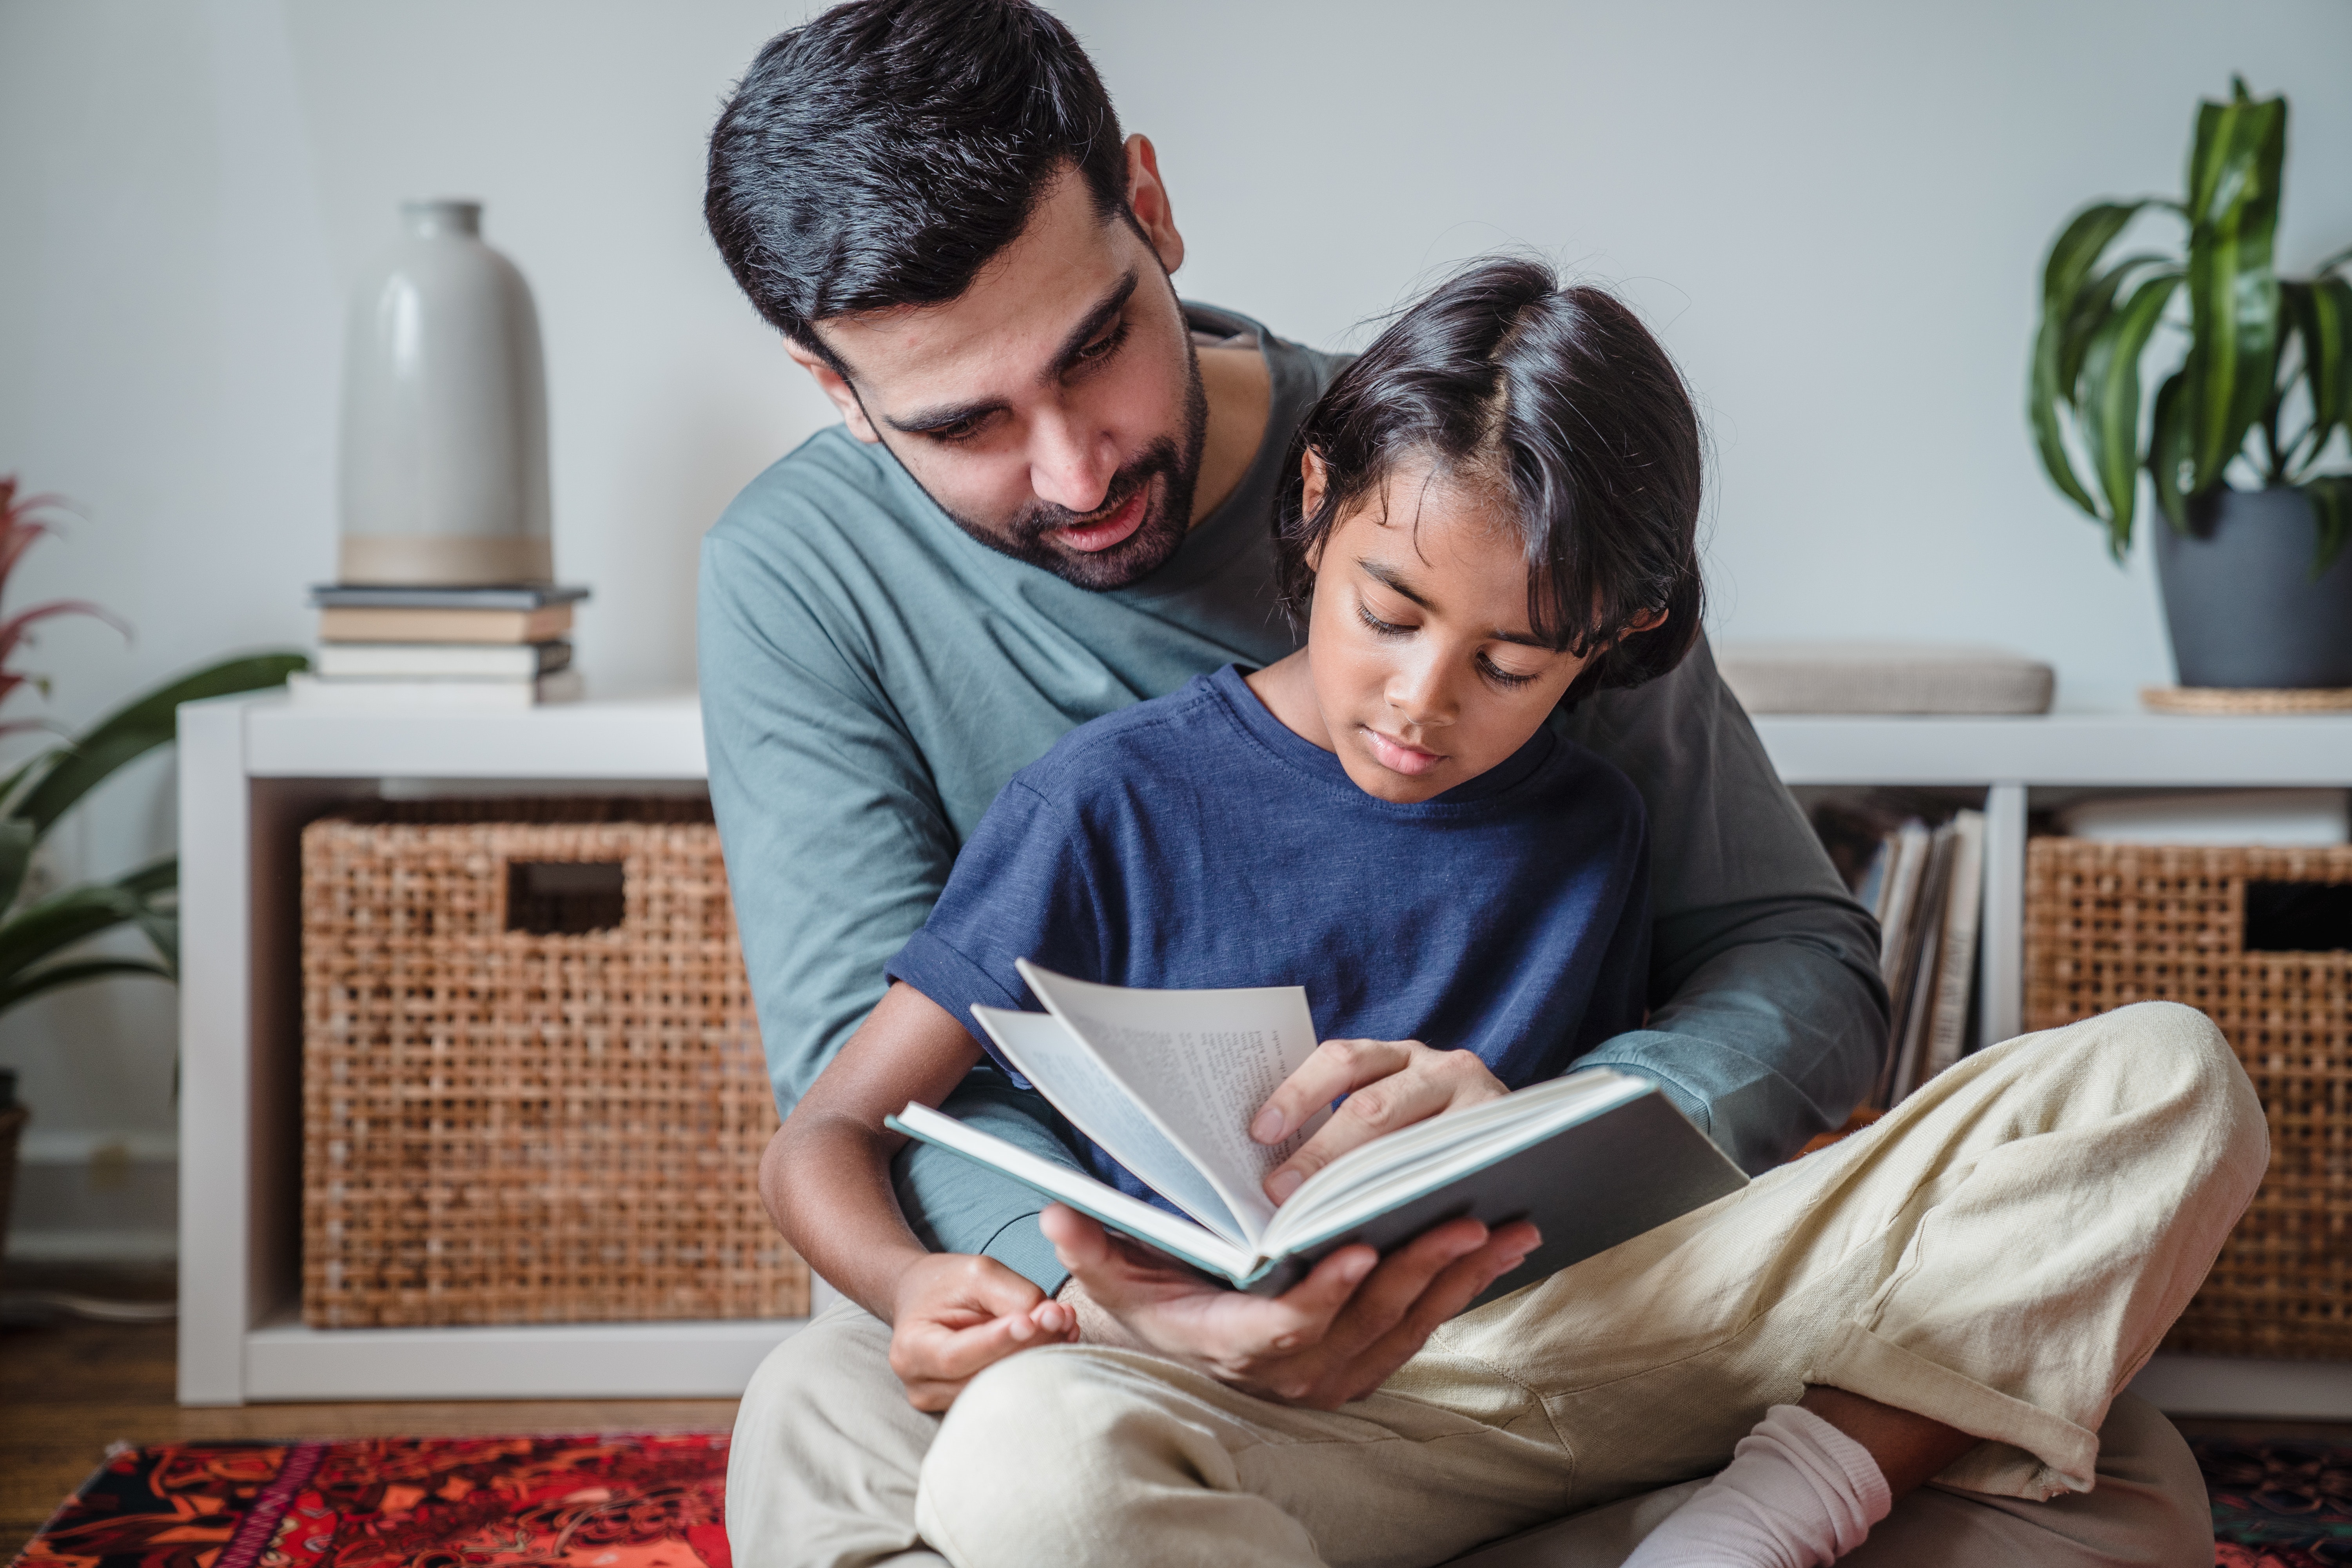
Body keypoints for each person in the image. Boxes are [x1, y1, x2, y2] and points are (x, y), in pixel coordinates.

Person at [695, 2, 2256, 1562]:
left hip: (1590, 1308)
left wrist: (1569, 1116)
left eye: (1095, 346)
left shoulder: (1471, 473)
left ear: (1151, 207)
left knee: (2129, 1450)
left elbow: (1795, 958)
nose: (1073, 471)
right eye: (961, 423)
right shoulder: (804, 584)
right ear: (833, 390)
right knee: (827, 1426)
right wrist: (1119, 1295)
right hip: (1145, 1360)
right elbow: (863, 1101)